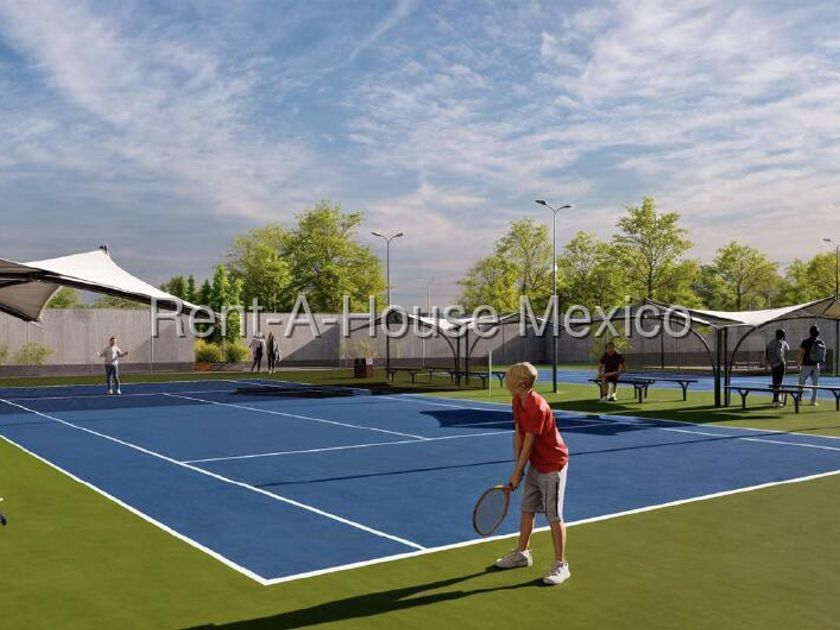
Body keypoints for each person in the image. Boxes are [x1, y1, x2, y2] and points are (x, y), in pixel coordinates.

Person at [494, 362, 571, 586]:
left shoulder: (538, 407)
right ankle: (522, 553)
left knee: (553, 515)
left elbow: (529, 443)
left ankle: (561, 565)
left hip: (553, 465)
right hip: (537, 464)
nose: (506, 380)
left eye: (510, 377)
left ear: (522, 384)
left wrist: (517, 473)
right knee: (527, 509)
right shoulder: (517, 401)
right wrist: (517, 470)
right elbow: (518, 434)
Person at [798, 325, 826, 406]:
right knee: (815, 384)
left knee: (801, 383)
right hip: (816, 365)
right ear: (818, 333)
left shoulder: (805, 342)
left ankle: (799, 400)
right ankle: (813, 401)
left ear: (810, 332)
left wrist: (799, 363)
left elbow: (801, 354)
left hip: (806, 365)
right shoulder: (821, 342)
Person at [765, 329, 789, 408]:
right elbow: (780, 353)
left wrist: (770, 361)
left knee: (775, 382)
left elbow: (766, 353)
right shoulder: (780, 343)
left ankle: (775, 399)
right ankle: (777, 400)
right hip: (779, 365)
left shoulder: (770, 343)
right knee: (779, 382)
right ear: (782, 335)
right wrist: (783, 362)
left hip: (773, 365)